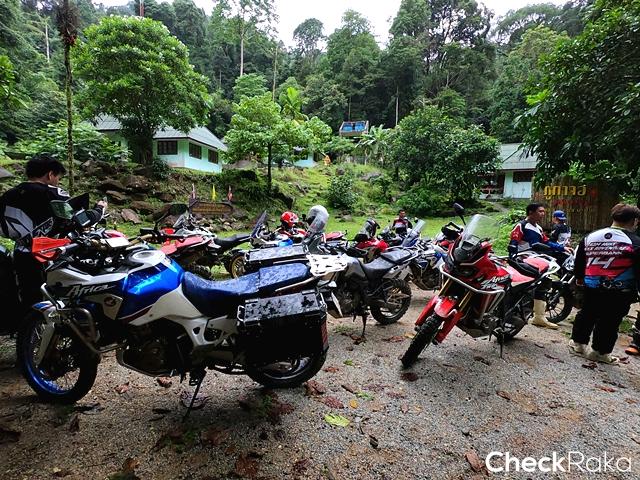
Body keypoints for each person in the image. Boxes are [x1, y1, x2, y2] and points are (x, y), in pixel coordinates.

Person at [0, 154, 107, 316]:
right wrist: (99, 209)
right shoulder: (53, 194)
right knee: (56, 299)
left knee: (30, 299)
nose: (57, 181)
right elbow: (80, 220)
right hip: (51, 255)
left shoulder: (9, 195)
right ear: (50, 174)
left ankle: (30, 329)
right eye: (58, 177)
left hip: (22, 253)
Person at [569, 203, 640, 364]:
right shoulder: (635, 242)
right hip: (619, 291)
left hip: (591, 286)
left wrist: (579, 278)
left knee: (586, 314)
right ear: (634, 220)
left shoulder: (591, 236)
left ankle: (578, 344)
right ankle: (600, 352)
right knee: (610, 321)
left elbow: (580, 260)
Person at [509, 202, 571, 330]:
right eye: (540, 211)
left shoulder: (538, 228)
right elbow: (513, 243)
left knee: (544, 282)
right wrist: (513, 258)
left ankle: (539, 316)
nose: (543, 214)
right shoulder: (521, 225)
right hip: (523, 259)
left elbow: (546, 242)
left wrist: (562, 248)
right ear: (531, 212)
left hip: (536, 259)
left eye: (543, 211)